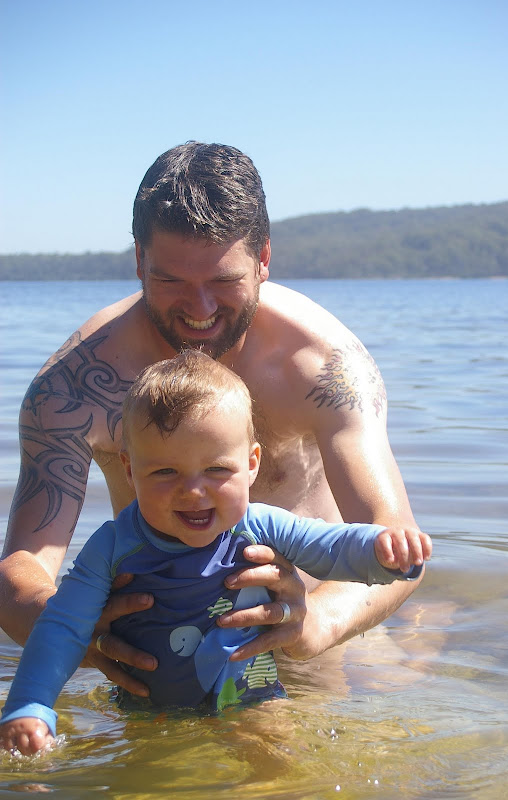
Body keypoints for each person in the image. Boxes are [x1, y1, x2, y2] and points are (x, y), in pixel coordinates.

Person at [0, 141, 426, 701]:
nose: (199, 309)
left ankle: (425, 633)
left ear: (263, 258)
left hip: (302, 620)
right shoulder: (75, 387)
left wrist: (315, 626)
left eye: (224, 281)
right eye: (171, 280)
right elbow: (21, 569)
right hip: (157, 639)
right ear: (139, 261)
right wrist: (80, 636)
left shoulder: (321, 367)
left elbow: (396, 545)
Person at [0, 350, 430, 755]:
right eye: (165, 471)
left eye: (217, 469)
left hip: (253, 700)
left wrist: (383, 552)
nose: (193, 491)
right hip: (145, 708)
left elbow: (329, 548)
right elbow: (62, 626)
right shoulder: (112, 547)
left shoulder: (261, 526)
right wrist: (30, 705)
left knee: (276, 770)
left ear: (251, 464)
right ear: (130, 470)